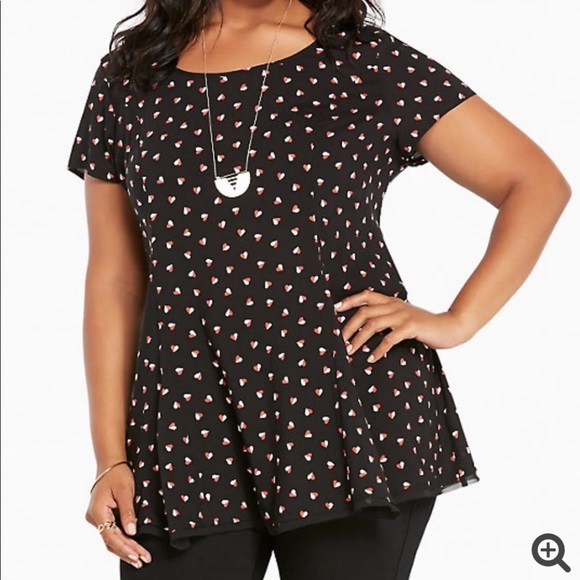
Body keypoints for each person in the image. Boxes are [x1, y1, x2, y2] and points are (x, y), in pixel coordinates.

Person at [66, 0, 571, 578]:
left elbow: (535, 182)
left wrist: (459, 319)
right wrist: (110, 458)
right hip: (186, 424)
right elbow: (115, 278)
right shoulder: (132, 74)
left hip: (348, 412)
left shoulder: (364, 60)